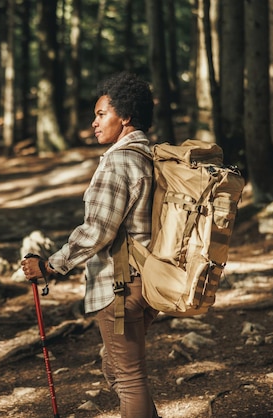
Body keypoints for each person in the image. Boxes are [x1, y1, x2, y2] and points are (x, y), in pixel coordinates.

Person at [21, 71, 160, 418]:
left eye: (101, 114)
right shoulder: (149, 157)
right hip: (145, 281)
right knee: (117, 371)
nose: (94, 123)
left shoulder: (119, 161)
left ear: (124, 116)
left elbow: (98, 229)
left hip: (120, 286)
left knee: (128, 379)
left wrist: (50, 266)